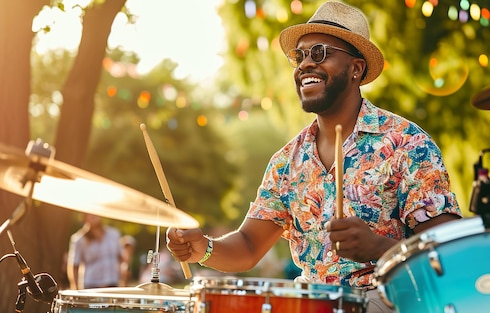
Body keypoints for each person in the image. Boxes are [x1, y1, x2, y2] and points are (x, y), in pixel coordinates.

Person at [166, 2, 461, 312]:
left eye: (319, 53)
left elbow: (447, 256)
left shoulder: (407, 144)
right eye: (300, 56)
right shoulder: (286, 162)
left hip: (388, 301)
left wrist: (379, 247)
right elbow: (249, 246)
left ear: (356, 69)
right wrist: (204, 249)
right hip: (308, 303)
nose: (305, 64)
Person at [67, 214, 125, 289]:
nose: (93, 216)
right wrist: (75, 287)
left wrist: (123, 277)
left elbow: (121, 258)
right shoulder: (79, 240)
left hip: (112, 284)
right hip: (91, 285)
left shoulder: (114, 234)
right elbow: (74, 265)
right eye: (89, 214)